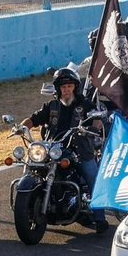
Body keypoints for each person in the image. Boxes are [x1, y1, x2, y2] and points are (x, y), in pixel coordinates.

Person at [26, 67, 108, 232]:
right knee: (33, 166)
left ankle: (100, 217)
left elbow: (97, 119)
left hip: (79, 150)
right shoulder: (52, 105)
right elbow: (34, 119)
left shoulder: (85, 104)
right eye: (63, 87)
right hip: (53, 149)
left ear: (75, 87)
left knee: (92, 175)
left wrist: (93, 128)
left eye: (69, 86)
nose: (66, 90)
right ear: (58, 89)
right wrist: (20, 127)